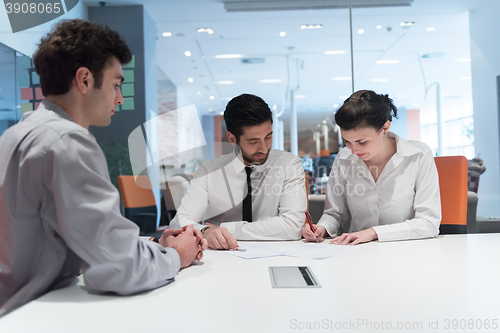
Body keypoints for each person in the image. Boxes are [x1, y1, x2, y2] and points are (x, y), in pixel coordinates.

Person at [0, 19, 207, 317]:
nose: (120, 98)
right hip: (33, 314)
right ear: (84, 80)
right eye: (115, 85)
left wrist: (155, 246)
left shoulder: (19, 133)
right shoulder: (68, 142)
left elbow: (94, 242)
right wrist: (176, 255)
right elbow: (118, 268)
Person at [303, 90, 441, 245]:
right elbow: (334, 213)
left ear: (385, 128)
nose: (353, 151)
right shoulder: (344, 158)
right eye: (347, 142)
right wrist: (322, 228)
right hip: (358, 251)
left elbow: (428, 223)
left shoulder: (418, 155)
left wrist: (374, 233)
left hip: (407, 248)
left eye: (362, 142)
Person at [170, 94, 307, 250]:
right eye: (253, 141)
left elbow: (292, 226)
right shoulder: (209, 171)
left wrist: (223, 228)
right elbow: (179, 221)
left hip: (276, 254)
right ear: (232, 138)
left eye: (268, 137)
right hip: (222, 258)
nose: (264, 148)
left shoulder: (289, 164)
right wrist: (206, 231)